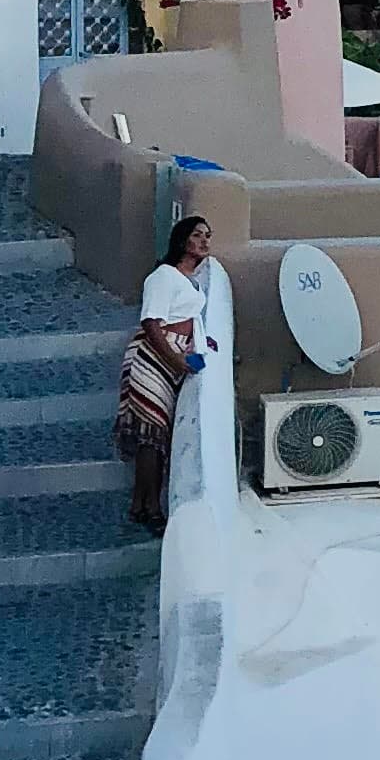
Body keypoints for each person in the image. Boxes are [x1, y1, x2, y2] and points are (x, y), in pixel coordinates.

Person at [121, 215, 227, 530]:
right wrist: (175, 360)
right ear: (183, 240)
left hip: (173, 354)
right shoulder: (163, 277)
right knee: (151, 433)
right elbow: (152, 322)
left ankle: (141, 505)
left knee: (154, 436)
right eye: (198, 235)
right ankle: (150, 508)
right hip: (154, 357)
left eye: (208, 235)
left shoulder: (189, 281)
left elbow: (188, 318)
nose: (205, 241)